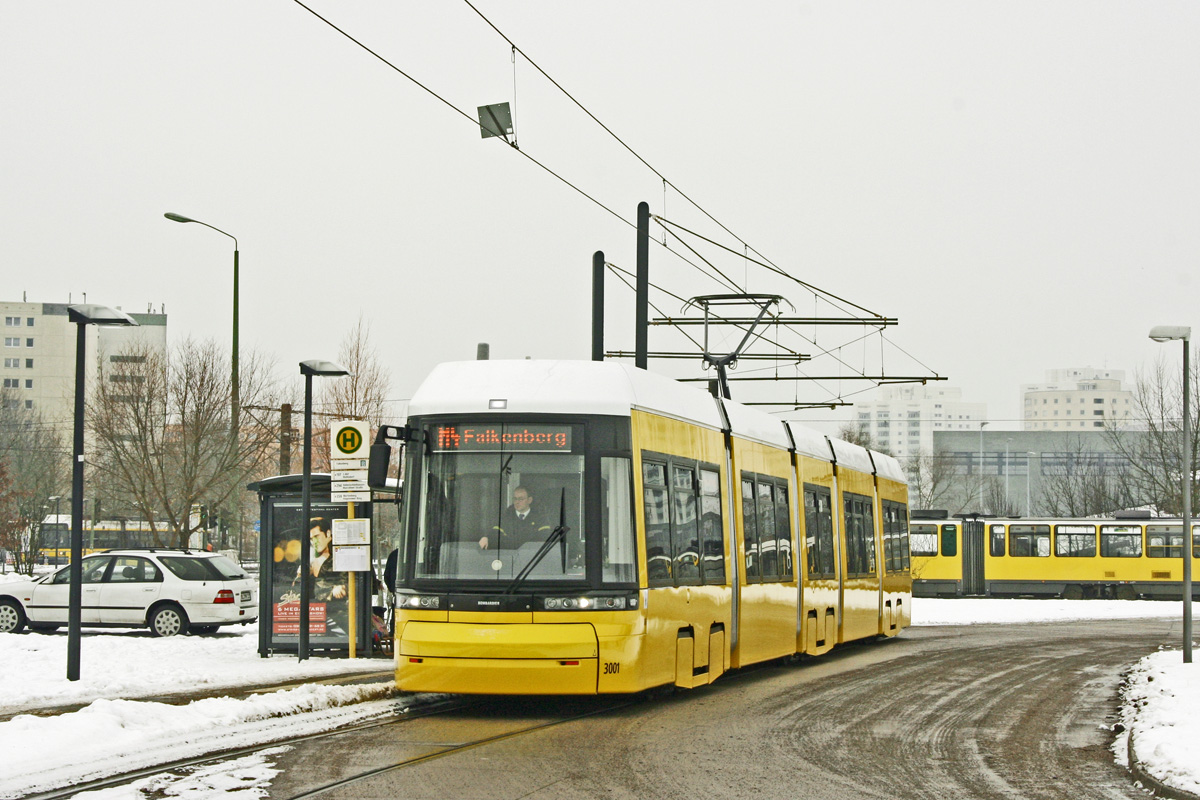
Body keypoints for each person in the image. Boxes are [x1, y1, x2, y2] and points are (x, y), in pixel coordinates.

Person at [479, 486, 551, 550]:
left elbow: (543, 539)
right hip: (509, 556)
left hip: (532, 557)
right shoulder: (505, 517)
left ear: (529, 500)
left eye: (521, 499)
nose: (517, 502)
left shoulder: (540, 517)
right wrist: (486, 538)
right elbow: (495, 534)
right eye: (515, 499)